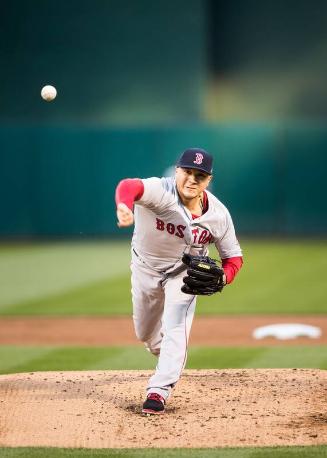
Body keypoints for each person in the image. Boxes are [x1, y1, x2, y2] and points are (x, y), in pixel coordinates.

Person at [115, 148, 243, 415]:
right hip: (145, 269)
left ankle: (158, 391)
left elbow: (234, 258)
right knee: (146, 334)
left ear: (208, 180)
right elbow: (129, 186)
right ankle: (169, 355)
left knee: (176, 327)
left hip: (184, 274)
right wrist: (124, 205)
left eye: (200, 175)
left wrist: (223, 277)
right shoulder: (160, 191)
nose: (192, 179)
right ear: (177, 171)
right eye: (187, 171)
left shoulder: (218, 215)